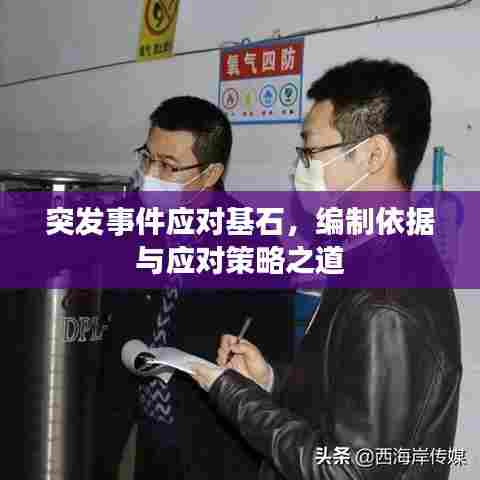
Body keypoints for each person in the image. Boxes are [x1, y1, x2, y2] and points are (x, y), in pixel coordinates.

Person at [188, 59, 462, 480]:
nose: (299, 168)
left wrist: (232, 394)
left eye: (311, 151)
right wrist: (270, 381)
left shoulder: (386, 300)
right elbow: (340, 404)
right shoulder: (370, 259)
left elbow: (351, 470)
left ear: (373, 155)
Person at [95, 96, 294, 480]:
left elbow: (275, 361)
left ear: (210, 173)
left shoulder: (254, 247)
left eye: (168, 166)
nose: (150, 174)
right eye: (147, 158)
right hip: (140, 433)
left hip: (211, 447)